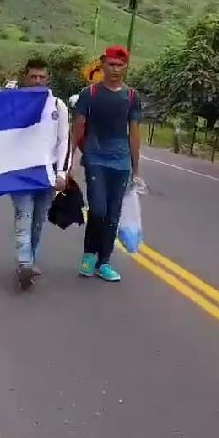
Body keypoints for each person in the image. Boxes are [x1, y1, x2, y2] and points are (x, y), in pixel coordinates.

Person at [71, 45, 142, 282]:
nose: (115, 69)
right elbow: (78, 126)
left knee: (113, 215)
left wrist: (136, 168)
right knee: (98, 210)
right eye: (111, 64)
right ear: (102, 64)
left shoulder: (131, 97)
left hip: (121, 163)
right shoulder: (89, 94)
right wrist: (70, 158)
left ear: (125, 67)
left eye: (120, 65)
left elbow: (134, 133)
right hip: (95, 159)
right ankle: (89, 255)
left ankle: (104, 262)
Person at [10, 59, 70, 290]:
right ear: (26, 77)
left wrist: (62, 173)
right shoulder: (15, 104)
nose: (37, 81)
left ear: (48, 78)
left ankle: (31, 258)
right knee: (23, 216)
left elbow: (63, 140)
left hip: (47, 173)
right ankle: (24, 263)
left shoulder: (57, 106)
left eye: (41, 77)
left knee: (37, 221)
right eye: (33, 76)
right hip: (22, 173)